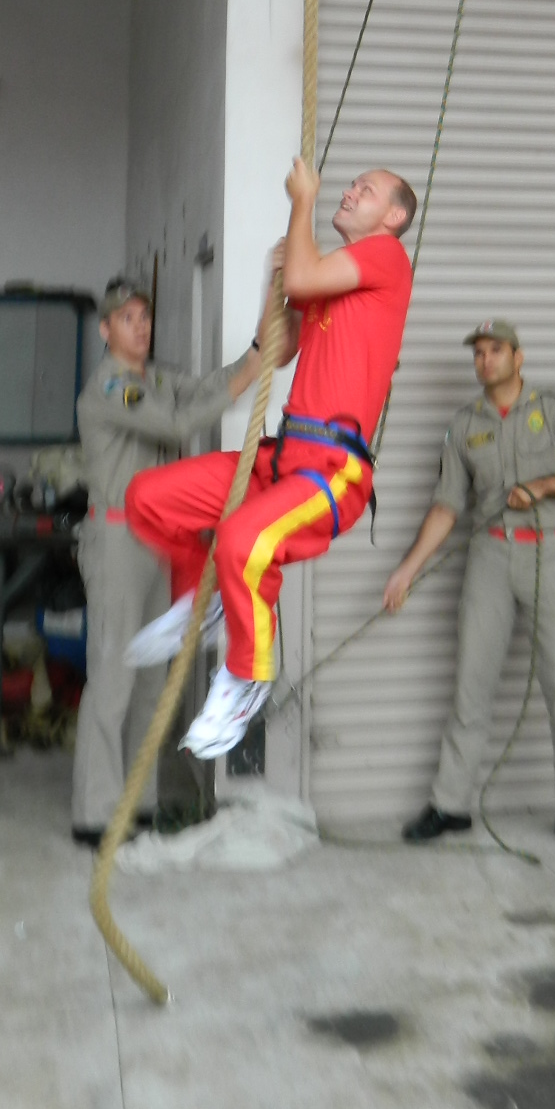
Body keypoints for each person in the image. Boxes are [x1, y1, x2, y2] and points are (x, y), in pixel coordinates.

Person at [125, 162, 416, 758]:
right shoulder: (333, 279)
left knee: (242, 542)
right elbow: (277, 349)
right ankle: (202, 602)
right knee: (147, 498)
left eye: (365, 189)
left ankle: (248, 676)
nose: (349, 190)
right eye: (351, 184)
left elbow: (305, 278)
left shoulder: (387, 257)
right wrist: (273, 277)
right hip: (283, 457)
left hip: (332, 473)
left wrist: (303, 203)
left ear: (393, 216)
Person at [390, 320, 555, 855]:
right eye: (478, 352)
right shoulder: (462, 426)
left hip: (550, 557)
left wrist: (545, 486)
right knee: (470, 685)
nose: (485, 359)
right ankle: (449, 805)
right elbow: (446, 506)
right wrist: (407, 570)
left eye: (496, 350)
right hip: (489, 558)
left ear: (518, 358)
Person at [70, 273, 272, 846]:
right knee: (112, 676)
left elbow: (201, 387)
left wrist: (256, 354)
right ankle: (95, 811)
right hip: (118, 541)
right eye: (127, 319)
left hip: (160, 539)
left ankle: (138, 802)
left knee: (151, 679)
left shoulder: (154, 378)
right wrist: (245, 378)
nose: (140, 327)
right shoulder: (110, 388)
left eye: (145, 317)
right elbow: (178, 421)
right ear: (105, 330)